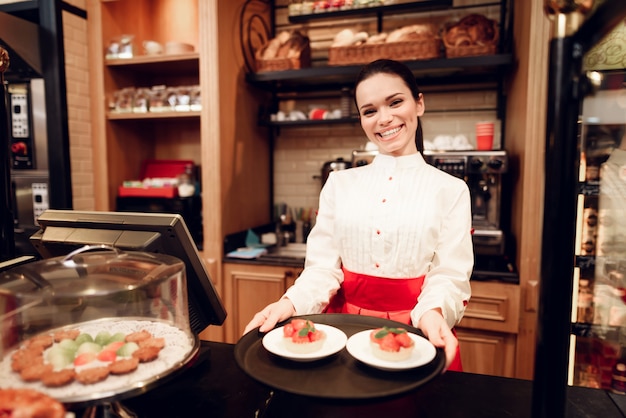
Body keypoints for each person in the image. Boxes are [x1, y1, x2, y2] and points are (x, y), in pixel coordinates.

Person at [244, 59, 473, 371]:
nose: (384, 118)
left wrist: (434, 312)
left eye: (395, 102)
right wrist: (289, 303)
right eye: (370, 110)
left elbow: (449, 275)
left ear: (418, 103)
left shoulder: (452, 189)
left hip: (417, 335)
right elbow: (322, 270)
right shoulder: (340, 184)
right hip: (343, 333)